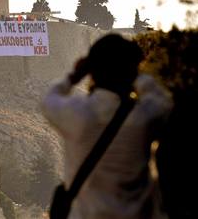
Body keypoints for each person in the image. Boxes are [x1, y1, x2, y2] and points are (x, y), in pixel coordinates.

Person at [42, 34, 172, 219]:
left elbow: (49, 99)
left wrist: (74, 76)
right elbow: (164, 103)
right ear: (131, 72)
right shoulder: (143, 118)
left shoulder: (77, 114)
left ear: (91, 72)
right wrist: (137, 75)